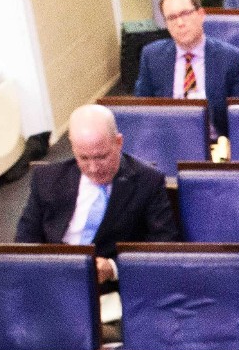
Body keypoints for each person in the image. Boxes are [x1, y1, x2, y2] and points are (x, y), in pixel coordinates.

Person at [12, 105, 178, 283]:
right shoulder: (47, 178)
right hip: (52, 278)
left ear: (119, 142)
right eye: (83, 158)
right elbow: (25, 240)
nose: (93, 168)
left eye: (101, 157)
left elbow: (163, 243)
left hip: (109, 286)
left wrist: (113, 268)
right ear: (72, 147)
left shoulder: (147, 181)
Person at [133, 0, 239, 145]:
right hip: (168, 144)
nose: (180, 23)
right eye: (172, 18)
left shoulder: (231, 59)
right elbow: (142, 113)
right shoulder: (152, 57)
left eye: (185, 14)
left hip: (215, 145)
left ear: (201, 14)